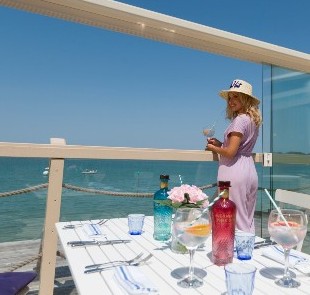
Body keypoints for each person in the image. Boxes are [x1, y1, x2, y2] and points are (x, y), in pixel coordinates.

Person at [206, 79, 262, 233]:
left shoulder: (239, 121)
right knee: (246, 217)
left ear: (245, 99)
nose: (231, 101)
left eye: (236, 97)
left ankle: (231, 251)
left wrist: (213, 147)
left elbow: (231, 152)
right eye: (230, 97)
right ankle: (246, 250)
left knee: (232, 217)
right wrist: (220, 144)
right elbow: (239, 147)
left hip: (234, 171)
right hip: (249, 169)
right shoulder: (252, 120)